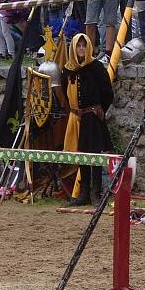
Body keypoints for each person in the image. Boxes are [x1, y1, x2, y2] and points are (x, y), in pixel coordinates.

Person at [62, 33, 113, 206]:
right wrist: (74, 111)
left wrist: (98, 110)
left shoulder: (96, 67)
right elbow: (63, 91)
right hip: (76, 116)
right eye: (79, 46)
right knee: (81, 154)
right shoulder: (68, 69)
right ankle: (84, 193)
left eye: (84, 46)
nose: (81, 49)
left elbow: (108, 93)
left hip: (92, 117)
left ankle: (96, 193)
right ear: (74, 48)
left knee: (94, 154)